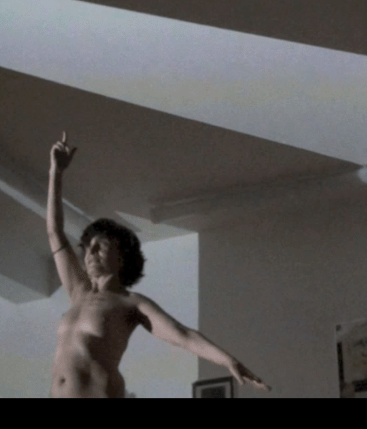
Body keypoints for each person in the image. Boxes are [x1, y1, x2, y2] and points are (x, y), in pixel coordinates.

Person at [46, 132, 271, 398]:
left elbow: (183, 335)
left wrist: (228, 360)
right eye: (88, 246)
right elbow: (55, 233)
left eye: (101, 245)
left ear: (121, 256)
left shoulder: (130, 303)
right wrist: (56, 172)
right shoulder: (78, 292)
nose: (90, 252)